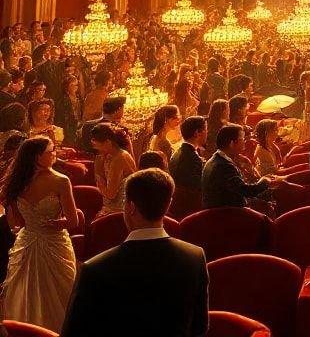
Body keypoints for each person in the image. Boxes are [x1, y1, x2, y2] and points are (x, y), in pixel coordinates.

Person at [61, 168, 208, 337]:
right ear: (168, 204)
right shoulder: (194, 257)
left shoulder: (95, 269)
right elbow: (199, 327)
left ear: (130, 207)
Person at [0, 136, 77, 331]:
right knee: (59, 292)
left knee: (27, 292)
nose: (55, 154)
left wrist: (33, 223)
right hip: (55, 242)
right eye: (50, 151)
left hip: (26, 240)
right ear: (37, 156)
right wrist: (53, 224)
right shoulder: (61, 181)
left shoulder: (17, 181)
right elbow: (73, 221)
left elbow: (15, 222)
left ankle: (25, 330)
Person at [200, 124, 272, 208]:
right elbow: (246, 191)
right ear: (232, 143)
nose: (244, 142)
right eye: (242, 139)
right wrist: (264, 181)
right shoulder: (223, 166)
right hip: (226, 213)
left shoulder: (218, 159)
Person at [90, 123, 135, 217]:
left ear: (107, 142)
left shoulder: (119, 158)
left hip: (119, 211)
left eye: (98, 146)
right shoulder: (110, 156)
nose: (97, 150)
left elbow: (111, 194)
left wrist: (99, 181)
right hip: (111, 207)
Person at [168, 116, 206, 200]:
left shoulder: (178, 152)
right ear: (197, 133)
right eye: (205, 129)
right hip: (189, 206)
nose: (207, 132)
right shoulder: (192, 158)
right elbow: (198, 189)